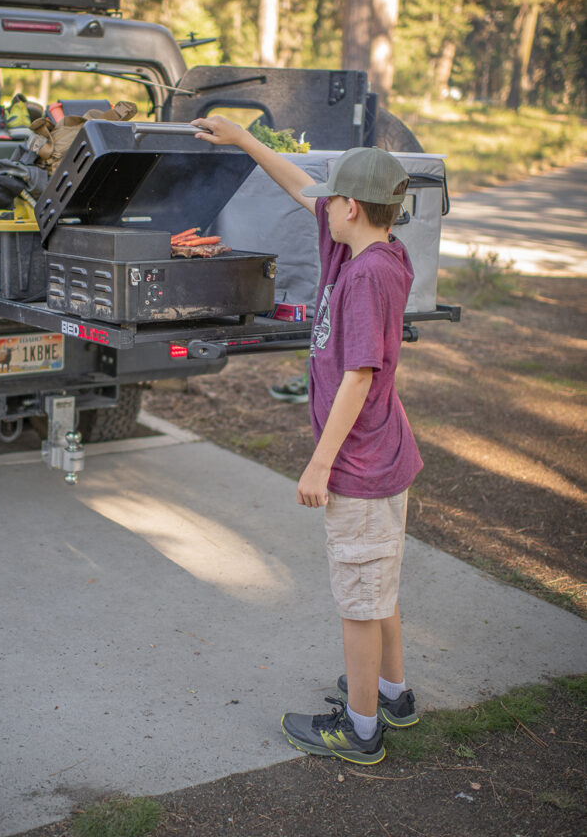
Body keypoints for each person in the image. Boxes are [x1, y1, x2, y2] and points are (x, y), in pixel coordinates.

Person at [193, 115, 423, 766]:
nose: (319, 203)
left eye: (331, 197)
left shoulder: (365, 278)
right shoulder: (366, 246)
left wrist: (318, 465)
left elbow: (358, 375)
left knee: (358, 598)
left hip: (359, 461)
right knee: (376, 585)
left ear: (349, 207)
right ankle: (391, 696)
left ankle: (359, 729)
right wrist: (243, 140)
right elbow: (300, 187)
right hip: (381, 453)